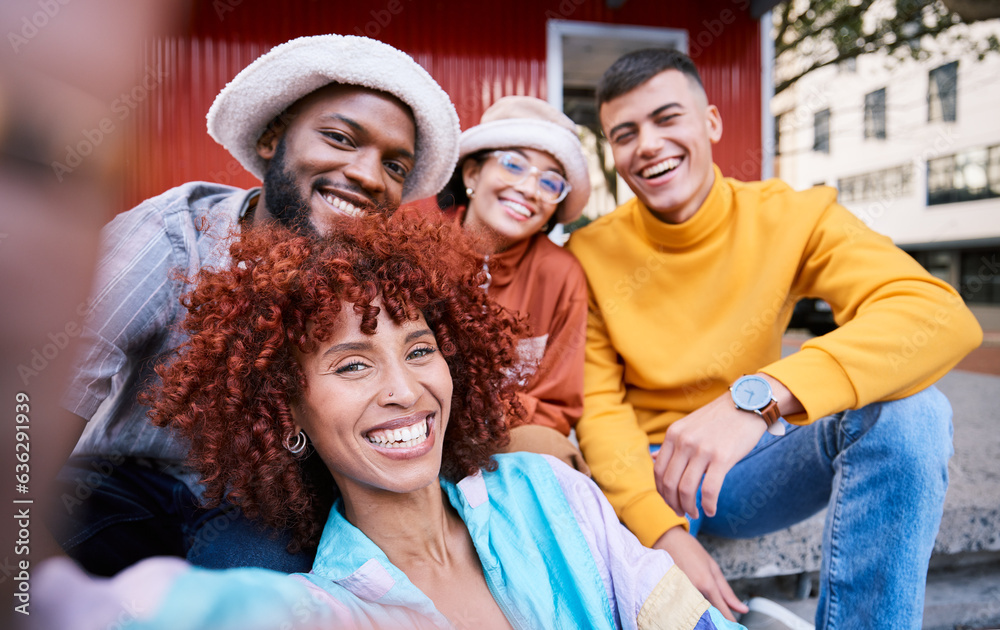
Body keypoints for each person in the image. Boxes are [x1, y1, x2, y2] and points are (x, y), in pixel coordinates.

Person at [34, 212, 745, 630]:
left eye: (420, 349)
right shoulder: (324, 603)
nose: (405, 389)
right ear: (289, 412)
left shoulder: (551, 493)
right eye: (351, 364)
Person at [565, 48, 983, 628]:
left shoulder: (793, 215)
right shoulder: (588, 253)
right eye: (625, 133)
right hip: (649, 471)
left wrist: (762, 396)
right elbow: (600, 408)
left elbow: (938, 315)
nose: (648, 145)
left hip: (752, 460)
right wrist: (656, 529)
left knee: (914, 412)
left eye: (667, 119)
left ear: (711, 122)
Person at [52, 33, 461, 576]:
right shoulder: (172, 239)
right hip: (122, 480)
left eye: (394, 167)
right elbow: (43, 394)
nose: (367, 175)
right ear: (272, 139)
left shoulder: (373, 281)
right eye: (341, 138)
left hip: (256, 503)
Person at [430, 95, 591, 473]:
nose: (530, 189)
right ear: (472, 174)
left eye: (550, 181)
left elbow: (556, 407)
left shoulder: (562, 274)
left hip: (510, 446)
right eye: (513, 164)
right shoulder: (420, 253)